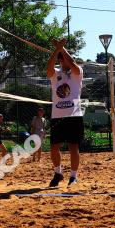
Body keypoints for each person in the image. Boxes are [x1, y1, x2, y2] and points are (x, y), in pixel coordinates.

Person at [46, 38, 84, 187]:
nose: (65, 62)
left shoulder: (77, 72)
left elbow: (73, 65)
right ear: (60, 61)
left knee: (73, 147)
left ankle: (73, 177)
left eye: (66, 58)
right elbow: (48, 67)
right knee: (54, 147)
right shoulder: (56, 74)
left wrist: (62, 48)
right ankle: (58, 173)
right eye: (61, 60)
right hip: (57, 116)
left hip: (74, 115)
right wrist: (57, 50)